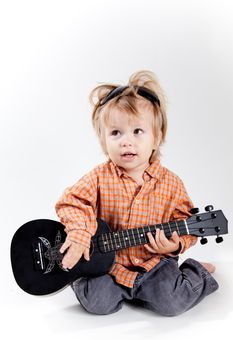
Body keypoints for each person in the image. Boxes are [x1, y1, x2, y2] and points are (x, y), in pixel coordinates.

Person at [55, 70, 218, 316]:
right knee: (97, 303)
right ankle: (78, 272)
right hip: (109, 266)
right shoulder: (99, 176)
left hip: (153, 265)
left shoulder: (171, 184)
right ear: (103, 141)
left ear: (157, 138)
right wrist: (79, 233)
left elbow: (185, 223)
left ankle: (197, 272)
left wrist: (174, 245)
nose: (126, 142)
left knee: (172, 302)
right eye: (115, 133)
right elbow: (71, 202)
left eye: (137, 132)